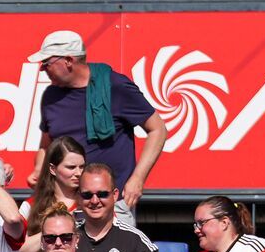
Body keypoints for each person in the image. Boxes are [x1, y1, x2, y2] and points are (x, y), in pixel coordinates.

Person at [28, 31, 167, 209]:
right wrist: (39, 169)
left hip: (111, 201)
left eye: (46, 63)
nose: (42, 69)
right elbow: (47, 145)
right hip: (66, 202)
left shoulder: (115, 86)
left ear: (68, 61)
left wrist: (138, 178)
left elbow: (158, 129)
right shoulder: (50, 96)